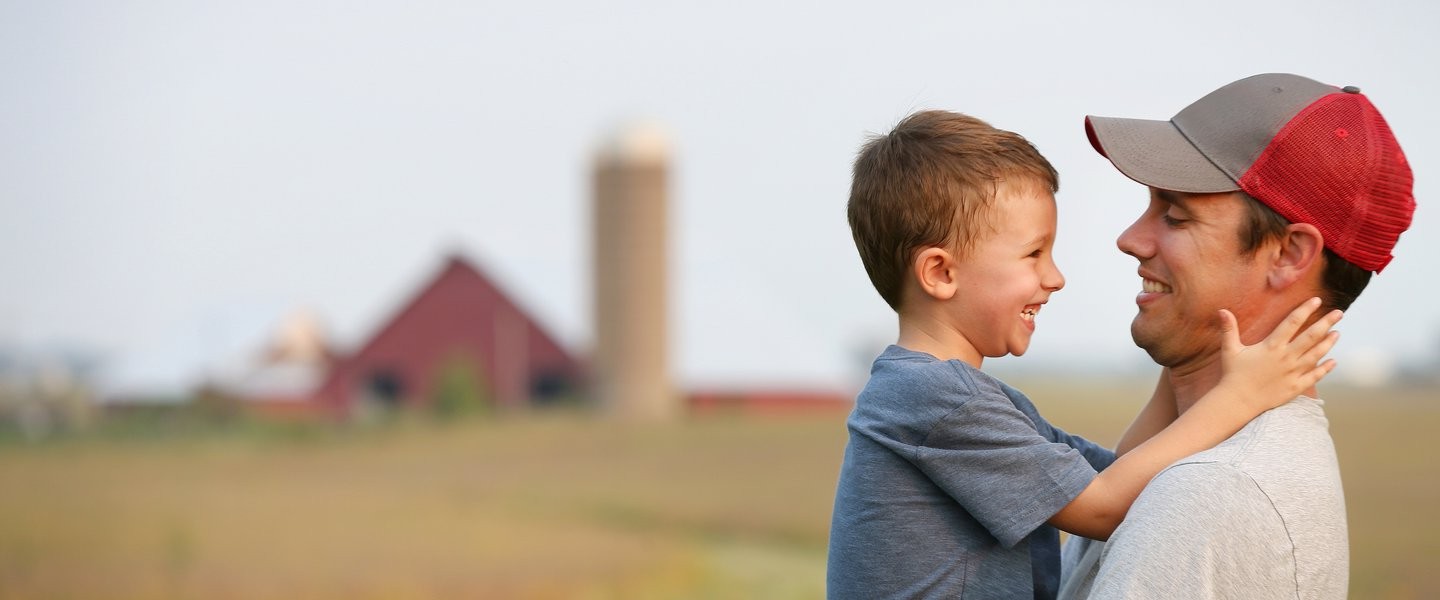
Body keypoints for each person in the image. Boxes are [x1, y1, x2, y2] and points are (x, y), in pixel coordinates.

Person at [826, 109, 1343, 599]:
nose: (1054, 278)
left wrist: (1186, 355)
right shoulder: (935, 400)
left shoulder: (955, 397)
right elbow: (1100, 509)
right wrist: (1239, 397)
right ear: (941, 273)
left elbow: (1116, 474)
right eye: (1033, 254)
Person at [1057, 73, 1416, 599]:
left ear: (1289, 254)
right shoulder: (1190, 460)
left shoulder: (1210, 493)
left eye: (1176, 215)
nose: (1130, 239)